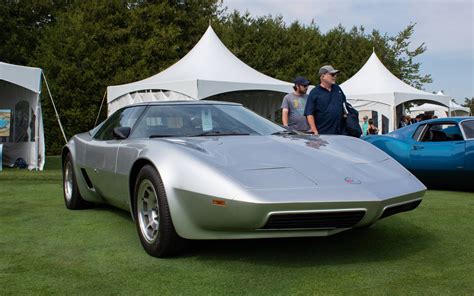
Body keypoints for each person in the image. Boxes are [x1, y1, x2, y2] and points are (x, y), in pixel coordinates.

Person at [304, 65, 346, 135]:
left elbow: (344, 104)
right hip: (323, 134)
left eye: (335, 74)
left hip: (340, 133)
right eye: (332, 74)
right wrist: (314, 130)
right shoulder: (314, 92)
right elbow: (309, 113)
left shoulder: (337, 89)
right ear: (323, 76)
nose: (335, 76)